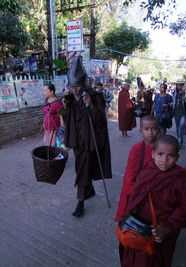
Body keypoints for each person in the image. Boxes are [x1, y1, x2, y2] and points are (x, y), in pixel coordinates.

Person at [119, 135, 186, 267]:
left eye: (170, 156)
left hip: (161, 229)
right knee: (132, 255)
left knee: (153, 260)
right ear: (153, 154)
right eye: (160, 154)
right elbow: (136, 196)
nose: (164, 160)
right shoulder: (147, 172)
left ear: (177, 158)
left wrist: (167, 227)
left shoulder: (180, 179)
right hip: (138, 227)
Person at [62, 56, 112, 217]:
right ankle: (89, 191)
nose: (74, 89)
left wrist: (90, 105)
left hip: (90, 141)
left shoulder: (95, 97)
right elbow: (65, 117)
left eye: (76, 86)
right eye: (71, 86)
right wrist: (64, 106)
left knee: (82, 169)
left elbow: (100, 120)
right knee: (82, 167)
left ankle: (81, 201)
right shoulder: (70, 98)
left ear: (83, 84)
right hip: (76, 141)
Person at [115, 115, 160, 222]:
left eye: (153, 129)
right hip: (139, 190)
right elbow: (129, 176)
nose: (150, 132)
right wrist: (136, 194)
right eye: (146, 129)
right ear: (140, 131)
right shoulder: (137, 149)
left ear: (158, 130)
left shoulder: (162, 148)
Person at [172, 80, 186, 148]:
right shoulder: (174, 92)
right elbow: (173, 102)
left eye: (181, 85)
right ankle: (179, 140)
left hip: (183, 112)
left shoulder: (185, 92)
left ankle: (179, 142)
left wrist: (183, 94)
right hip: (176, 112)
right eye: (178, 85)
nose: (179, 86)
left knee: (181, 127)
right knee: (178, 128)